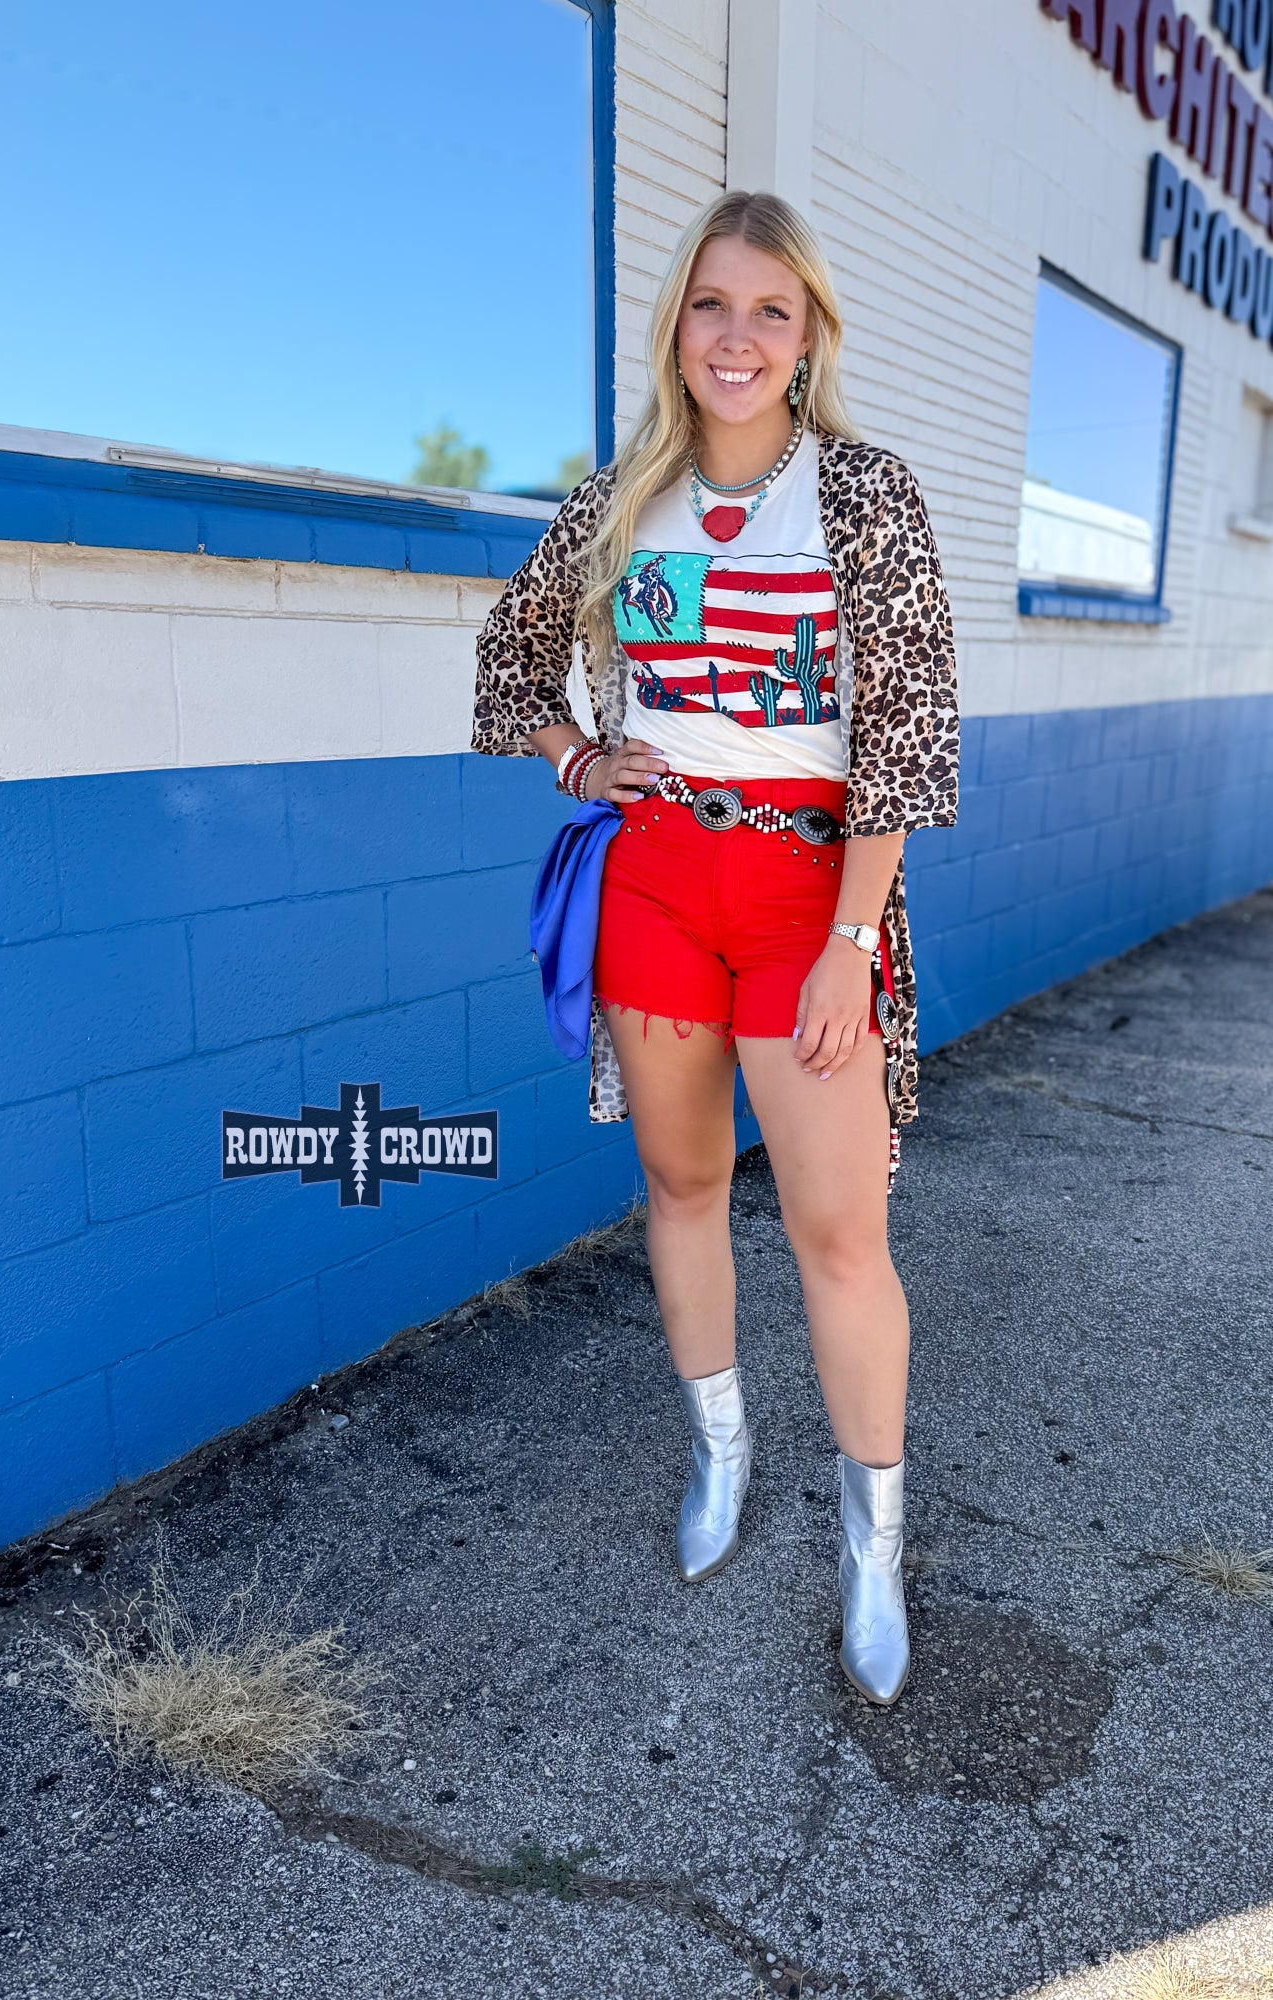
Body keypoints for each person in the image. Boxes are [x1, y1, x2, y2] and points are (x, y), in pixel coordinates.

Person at [471, 189, 959, 1707]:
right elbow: (508, 659)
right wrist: (575, 754)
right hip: (660, 882)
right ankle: (723, 1456)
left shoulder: (863, 494)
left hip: (812, 898)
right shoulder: (620, 498)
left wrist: (851, 940)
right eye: (710, 304)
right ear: (674, 325)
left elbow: (905, 736)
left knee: (838, 1233)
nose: (736, 337)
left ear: (808, 336)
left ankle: (871, 1548)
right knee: (681, 1188)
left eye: (769, 310)